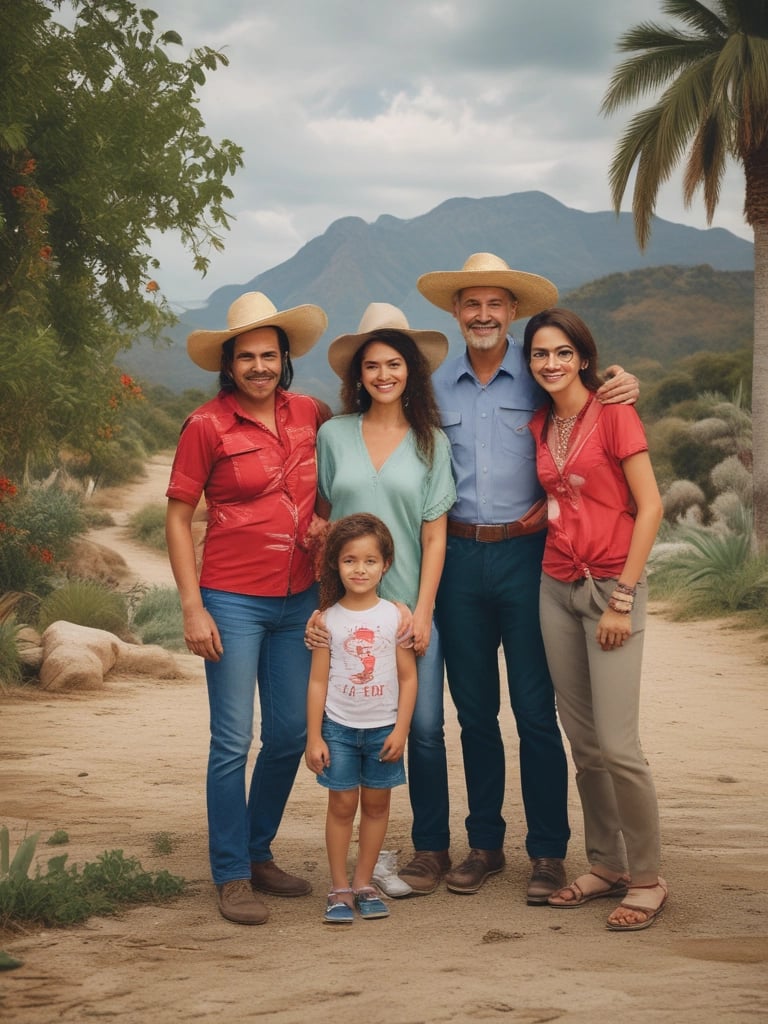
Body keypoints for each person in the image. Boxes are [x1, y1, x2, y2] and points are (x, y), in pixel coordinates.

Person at [414, 252, 639, 903]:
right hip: (456, 559)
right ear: (456, 312)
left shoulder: (540, 375)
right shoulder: (432, 386)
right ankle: (484, 844)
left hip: (531, 558)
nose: (483, 315)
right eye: (471, 304)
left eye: (495, 304)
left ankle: (547, 852)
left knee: (536, 713)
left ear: (510, 311)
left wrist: (626, 380)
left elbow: (593, 398)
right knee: (474, 713)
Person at [165, 290, 330, 926]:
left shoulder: (311, 414)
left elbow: (338, 477)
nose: (259, 366)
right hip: (230, 598)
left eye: (269, 355)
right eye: (246, 357)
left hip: (297, 599)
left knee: (289, 732)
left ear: (284, 359)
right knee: (232, 740)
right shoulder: (206, 425)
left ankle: (259, 851)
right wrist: (191, 606)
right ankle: (232, 873)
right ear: (228, 365)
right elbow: (179, 518)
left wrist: (325, 520)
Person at [523, 307, 667, 931]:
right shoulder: (539, 422)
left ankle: (648, 875)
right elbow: (564, 497)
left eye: (561, 353)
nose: (549, 364)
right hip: (555, 586)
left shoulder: (615, 412)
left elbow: (651, 505)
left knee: (619, 745)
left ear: (583, 356)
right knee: (583, 742)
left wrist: (623, 597)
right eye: (538, 355)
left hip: (612, 586)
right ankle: (606, 862)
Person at [308, 303, 457, 895]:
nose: (383, 374)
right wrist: (319, 610)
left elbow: (434, 533)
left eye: (394, 364)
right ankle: (360, 865)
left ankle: (430, 848)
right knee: (346, 722)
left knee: (420, 728)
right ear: (358, 375)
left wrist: (421, 612)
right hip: (344, 615)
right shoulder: (332, 435)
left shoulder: (431, 442)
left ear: (410, 372)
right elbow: (323, 519)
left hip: (406, 610)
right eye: (372, 365)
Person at [305, 513, 418, 923]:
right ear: (336, 563)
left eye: (370, 561)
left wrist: (402, 729)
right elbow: (318, 682)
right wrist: (314, 737)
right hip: (338, 727)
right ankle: (338, 888)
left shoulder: (396, 617)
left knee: (375, 806)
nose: (360, 569)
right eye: (350, 560)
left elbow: (409, 677)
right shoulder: (326, 619)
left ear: (386, 564)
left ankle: (364, 882)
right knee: (340, 806)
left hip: (383, 729)